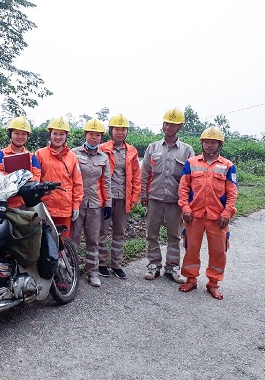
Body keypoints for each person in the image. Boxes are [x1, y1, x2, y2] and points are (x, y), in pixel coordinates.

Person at [178, 127, 238, 300]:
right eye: (207, 142)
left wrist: (227, 213)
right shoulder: (191, 162)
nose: (210, 145)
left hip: (218, 217)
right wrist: (185, 208)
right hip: (194, 215)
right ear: (202, 143)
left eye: (213, 142)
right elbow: (183, 187)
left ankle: (213, 283)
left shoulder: (228, 166)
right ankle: (191, 279)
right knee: (191, 248)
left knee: (219, 251)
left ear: (219, 145)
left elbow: (232, 192)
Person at [140, 107, 195, 283]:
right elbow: (145, 172)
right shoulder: (153, 147)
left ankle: (172, 268)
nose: (168, 127)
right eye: (166, 123)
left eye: (172, 124)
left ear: (179, 127)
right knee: (151, 233)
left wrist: (187, 202)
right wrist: (143, 194)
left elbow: (191, 178)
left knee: (174, 235)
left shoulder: (187, 151)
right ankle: (154, 264)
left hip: (175, 201)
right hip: (154, 197)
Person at [98, 113, 141, 279]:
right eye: (117, 129)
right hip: (105, 198)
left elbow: (136, 176)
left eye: (123, 130)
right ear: (111, 130)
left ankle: (116, 264)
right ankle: (101, 264)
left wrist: (135, 197)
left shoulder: (131, 151)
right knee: (102, 231)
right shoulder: (103, 149)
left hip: (124, 197)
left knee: (119, 233)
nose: (120, 132)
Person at [70, 119, 112, 287]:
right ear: (85, 135)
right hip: (77, 204)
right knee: (73, 239)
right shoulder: (74, 153)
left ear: (101, 137)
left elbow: (106, 182)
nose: (94, 138)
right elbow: (70, 179)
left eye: (98, 135)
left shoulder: (104, 157)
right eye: (91, 134)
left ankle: (92, 272)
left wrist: (108, 203)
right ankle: (71, 271)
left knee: (93, 240)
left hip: (95, 204)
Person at [35, 116, 84, 236]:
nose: (58, 137)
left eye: (61, 134)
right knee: (44, 243)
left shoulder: (72, 157)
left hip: (65, 208)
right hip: (45, 208)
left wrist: (76, 205)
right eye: (55, 133)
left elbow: (77, 183)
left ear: (66, 136)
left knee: (62, 244)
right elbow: (34, 180)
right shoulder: (39, 154)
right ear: (50, 135)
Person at [0, 116, 41, 208]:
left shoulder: (32, 157)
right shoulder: (1, 154)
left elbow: (37, 178)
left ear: (27, 136)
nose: (20, 137)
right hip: (5, 203)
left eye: (23, 134)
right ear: (10, 134)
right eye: (16, 133)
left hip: (25, 203)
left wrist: (14, 181)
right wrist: (23, 180)